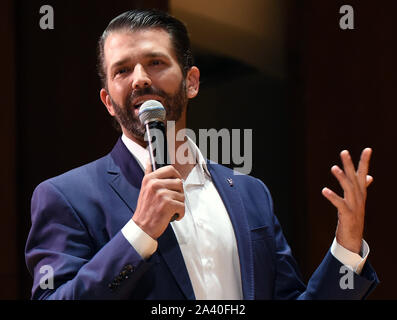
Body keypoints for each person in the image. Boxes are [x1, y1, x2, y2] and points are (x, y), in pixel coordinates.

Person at [25, 9, 378, 300]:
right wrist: (139, 231)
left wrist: (346, 247)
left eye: (155, 62)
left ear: (191, 82)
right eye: (122, 70)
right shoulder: (65, 197)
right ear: (108, 101)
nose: (140, 79)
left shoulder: (250, 193)